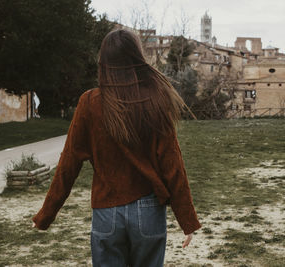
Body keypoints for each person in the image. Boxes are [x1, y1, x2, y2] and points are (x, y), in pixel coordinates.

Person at [32, 29, 201, 266]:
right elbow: (172, 165)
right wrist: (187, 221)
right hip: (149, 210)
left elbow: (68, 163)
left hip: (107, 212)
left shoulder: (89, 103)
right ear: (137, 57)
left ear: (104, 62)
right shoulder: (156, 98)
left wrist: (45, 215)